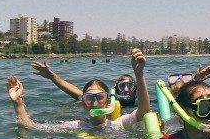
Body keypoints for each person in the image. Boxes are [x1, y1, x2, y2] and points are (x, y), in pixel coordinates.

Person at [8, 48, 151, 131]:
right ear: (83, 102)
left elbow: (144, 111)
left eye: (100, 97)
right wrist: (18, 103)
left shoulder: (119, 123)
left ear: (108, 102)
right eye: (89, 97)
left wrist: (139, 73)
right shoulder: (78, 126)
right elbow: (32, 127)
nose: (95, 102)